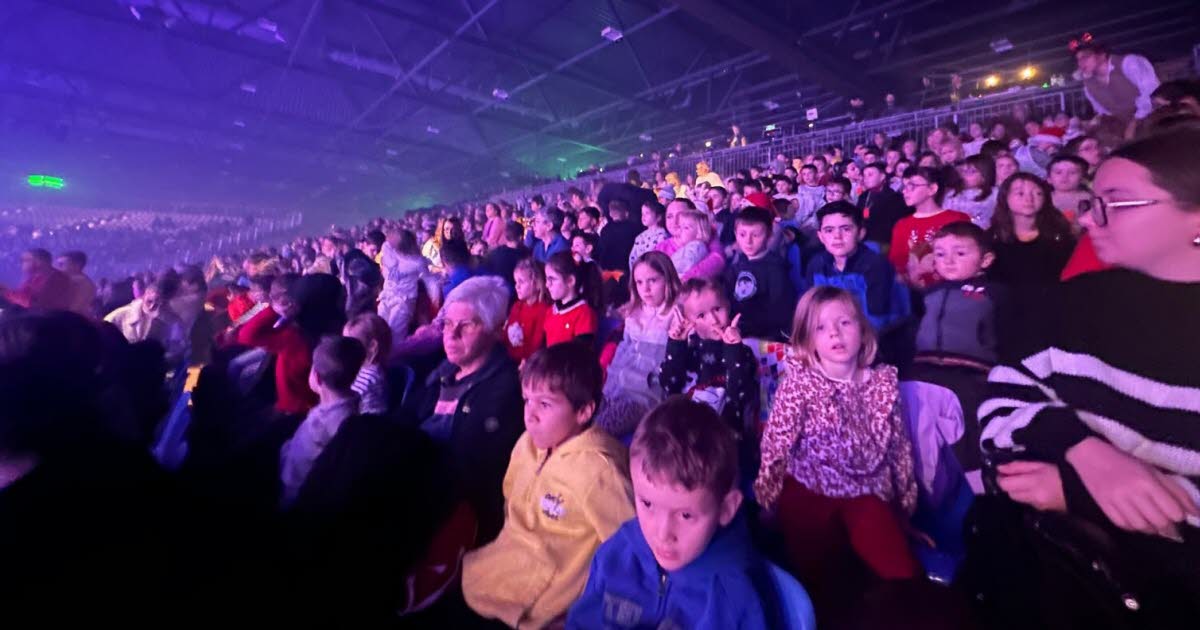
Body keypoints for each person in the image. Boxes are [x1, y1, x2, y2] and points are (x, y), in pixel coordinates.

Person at [971, 124, 1200, 630]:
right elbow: (1001, 410)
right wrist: (1085, 451)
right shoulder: (1072, 303)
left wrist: (1077, 490)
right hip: (1053, 578)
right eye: (1091, 200)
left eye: (1114, 202)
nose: (1088, 216)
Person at [568, 397, 801, 629]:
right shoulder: (617, 552)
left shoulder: (735, 599)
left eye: (685, 516)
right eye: (647, 504)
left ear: (726, 509)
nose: (662, 533)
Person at [755, 286, 919, 605]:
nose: (835, 333)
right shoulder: (800, 385)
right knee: (821, 584)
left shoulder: (882, 383)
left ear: (862, 329)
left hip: (867, 492)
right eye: (821, 327)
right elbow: (775, 446)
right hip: (811, 488)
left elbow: (899, 449)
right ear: (808, 340)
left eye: (845, 322)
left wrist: (904, 510)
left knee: (903, 578)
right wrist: (767, 499)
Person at [462, 343, 634, 628]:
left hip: (542, 604)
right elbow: (510, 500)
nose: (530, 414)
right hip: (499, 569)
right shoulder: (526, 445)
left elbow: (630, 547)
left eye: (544, 404)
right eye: (527, 399)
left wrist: (587, 612)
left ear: (583, 411)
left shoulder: (598, 472)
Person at [411, 276, 525, 544]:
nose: (451, 335)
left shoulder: (504, 390)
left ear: (494, 329)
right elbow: (407, 417)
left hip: (453, 507)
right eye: (448, 323)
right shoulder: (444, 371)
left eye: (466, 325)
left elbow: (469, 468)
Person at [661, 278, 758, 453]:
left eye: (717, 309)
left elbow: (740, 394)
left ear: (728, 307)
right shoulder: (690, 350)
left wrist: (733, 349)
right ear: (688, 321)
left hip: (724, 437)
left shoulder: (743, 351)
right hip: (685, 431)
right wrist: (676, 345)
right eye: (701, 315)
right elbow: (669, 385)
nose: (713, 320)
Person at [594, 252, 680, 439]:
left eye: (653, 281)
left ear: (667, 279)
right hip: (616, 389)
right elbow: (621, 354)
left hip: (645, 397)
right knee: (581, 414)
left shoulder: (677, 314)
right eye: (639, 283)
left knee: (600, 430)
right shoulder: (634, 312)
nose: (646, 289)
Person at [238, 273, 345, 416]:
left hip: (293, 410)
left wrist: (275, 309)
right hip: (315, 406)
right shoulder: (341, 330)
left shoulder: (294, 338)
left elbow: (246, 335)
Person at [279, 336, 365, 507]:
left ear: (316, 377)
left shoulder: (337, 422)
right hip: (293, 476)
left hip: (297, 498)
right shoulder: (343, 408)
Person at [915, 223, 1004, 367]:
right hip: (925, 364)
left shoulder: (993, 293)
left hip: (975, 368)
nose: (948, 261)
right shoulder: (929, 293)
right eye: (940, 254)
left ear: (986, 260)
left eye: (960, 253)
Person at [807, 201, 898, 331]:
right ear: (821, 237)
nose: (837, 236)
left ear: (861, 233)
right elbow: (811, 309)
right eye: (829, 230)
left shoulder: (876, 265)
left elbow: (877, 319)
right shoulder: (816, 264)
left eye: (846, 229)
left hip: (870, 338)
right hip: (829, 334)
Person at [987, 173, 1076, 286]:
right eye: (1020, 193)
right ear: (1005, 197)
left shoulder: (1060, 237)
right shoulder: (992, 238)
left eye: (1037, 193)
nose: (1029, 199)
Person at [890, 167, 972, 289]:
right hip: (914, 294)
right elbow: (897, 263)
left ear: (932, 189)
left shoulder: (957, 219)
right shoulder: (902, 224)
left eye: (911, 186)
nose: (905, 191)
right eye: (904, 186)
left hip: (951, 289)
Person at [723, 206, 796, 342]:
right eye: (742, 234)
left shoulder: (775, 268)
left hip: (762, 337)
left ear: (768, 235)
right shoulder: (737, 264)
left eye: (755, 235)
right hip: (735, 330)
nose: (748, 241)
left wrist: (744, 328)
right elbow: (726, 297)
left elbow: (779, 312)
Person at [1072, 35, 1160, 134]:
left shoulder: (1129, 63)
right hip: (1124, 131)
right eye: (1078, 59)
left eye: (1085, 57)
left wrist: (1135, 122)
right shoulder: (1088, 87)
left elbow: (1152, 93)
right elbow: (1104, 112)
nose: (1080, 63)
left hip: (1154, 123)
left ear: (1102, 55)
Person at [104, 279, 186, 363]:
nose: (151, 307)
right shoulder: (120, 315)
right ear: (143, 297)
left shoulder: (173, 322)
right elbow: (103, 336)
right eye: (149, 301)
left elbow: (177, 349)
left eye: (158, 304)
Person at [378, 227, 429, 341]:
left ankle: (396, 357)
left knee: (395, 337)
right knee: (380, 333)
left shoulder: (417, 262)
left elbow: (428, 280)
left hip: (403, 302)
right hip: (387, 298)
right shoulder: (388, 250)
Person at [656, 199, 725, 281]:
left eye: (681, 215)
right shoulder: (661, 247)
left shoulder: (708, 240)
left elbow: (718, 261)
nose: (675, 221)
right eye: (669, 216)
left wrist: (685, 279)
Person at [542, 252, 600, 348]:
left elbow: (580, 354)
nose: (547, 285)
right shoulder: (551, 311)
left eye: (552, 279)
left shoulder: (584, 314)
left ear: (570, 281)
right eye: (547, 279)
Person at [342, 312, 391, 416]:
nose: (345, 349)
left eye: (350, 344)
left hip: (366, 425)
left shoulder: (370, 377)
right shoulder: (360, 369)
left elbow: (347, 405)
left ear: (372, 346)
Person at [857, 163, 912, 248]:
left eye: (870, 175)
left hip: (885, 242)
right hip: (863, 240)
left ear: (882, 176)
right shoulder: (863, 196)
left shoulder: (895, 199)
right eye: (864, 175)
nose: (866, 178)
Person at [1, 248, 72, 311]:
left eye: (25, 260)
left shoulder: (58, 278)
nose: (22, 264)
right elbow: (22, 294)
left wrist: (6, 292)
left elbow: (34, 304)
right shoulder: (34, 277)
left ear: (39, 262)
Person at [942, 154, 999, 228]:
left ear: (985, 175)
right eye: (964, 171)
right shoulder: (952, 195)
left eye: (972, 171)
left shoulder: (995, 193)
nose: (966, 175)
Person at [1047, 155, 1095, 222]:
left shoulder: (1088, 197)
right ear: (1049, 179)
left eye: (1072, 172)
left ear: (1082, 178)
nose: (1065, 176)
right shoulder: (1045, 199)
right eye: (1058, 172)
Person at [484, 221, 528, 290]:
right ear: (521, 237)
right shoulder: (525, 255)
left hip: (497, 292)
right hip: (516, 294)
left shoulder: (494, 253)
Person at [669, 209, 712, 278]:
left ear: (699, 232)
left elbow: (685, 264)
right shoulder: (688, 246)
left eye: (686, 228)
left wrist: (666, 265)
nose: (681, 230)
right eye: (680, 227)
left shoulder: (697, 246)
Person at [53, 251, 97, 317]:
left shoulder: (82, 283)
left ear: (77, 265)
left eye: (61, 265)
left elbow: (74, 308)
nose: (57, 268)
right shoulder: (68, 281)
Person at [628, 200, 668, 270]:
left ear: (659, 217)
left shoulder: (662, 236)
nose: (643, 216)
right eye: (642, 213)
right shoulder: (640, 237)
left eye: (647, 213)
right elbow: (632, 257)